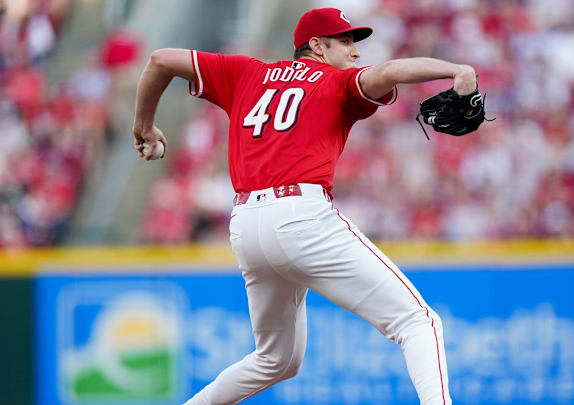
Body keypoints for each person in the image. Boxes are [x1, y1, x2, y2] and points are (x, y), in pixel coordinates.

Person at [133, 8, 477, 405]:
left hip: (246, 224)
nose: (354, 51)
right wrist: (457, 69)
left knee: (276, 359)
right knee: (418, 321)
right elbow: (392, 70)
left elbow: (160, 60)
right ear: (316, 45)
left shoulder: (247, 72)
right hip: (302, 217)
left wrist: (143, 124)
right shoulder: (336, 81)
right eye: (345, 41)